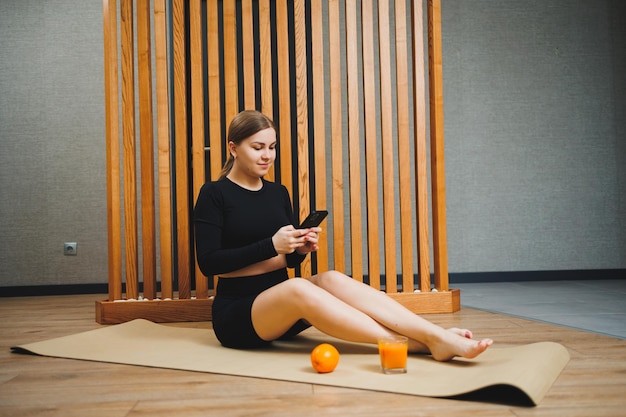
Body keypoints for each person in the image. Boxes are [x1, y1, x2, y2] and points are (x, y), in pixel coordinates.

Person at [194, 110, 492, 361]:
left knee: (331, 278)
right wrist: (271, 245)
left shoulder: (277, 192)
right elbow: (209, 263)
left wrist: (299, 249)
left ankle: (434, 335)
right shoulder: (214, 194)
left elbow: (289, 264)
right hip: (239, 315)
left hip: (284, 310)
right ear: (233, 148)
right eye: (257, 147)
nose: (267, 155)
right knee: (298, 288)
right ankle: (425, 344)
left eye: (272, 147)